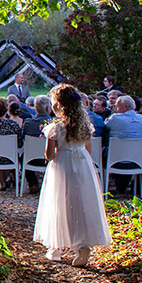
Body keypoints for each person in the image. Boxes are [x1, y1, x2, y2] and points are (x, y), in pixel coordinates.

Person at [33, 84, 113, 267]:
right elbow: (89, 150)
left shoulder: (55, 128)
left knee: (59, 202)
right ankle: (82, 246)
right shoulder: (85, 126)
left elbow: (49, 155)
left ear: (58, 105)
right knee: (81, 203)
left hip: (62, 167)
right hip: (82, 165)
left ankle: (56, 246)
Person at [0, 96, 22, 189]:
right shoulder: (13, 125)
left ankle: (2, 183)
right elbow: (20, 143)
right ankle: (3, 181)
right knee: (7, 155)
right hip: (10, 157)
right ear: (6, 109)